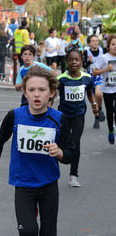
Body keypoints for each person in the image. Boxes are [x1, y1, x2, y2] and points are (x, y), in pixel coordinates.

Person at [0, 65, 75, 236]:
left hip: (48, 184)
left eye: (42, 89)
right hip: (23, 184)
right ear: (25, 93)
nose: (36, 94)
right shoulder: (15, 116)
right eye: (31, 90)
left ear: (52, 92)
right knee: (29, 232)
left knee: (48, 232)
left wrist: (60, 152)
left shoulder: (59, 119)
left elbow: (70, 154)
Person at [57, 48, 98, 187]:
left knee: (75, 144)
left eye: (77, 59)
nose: (74, 62)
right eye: (71, 60)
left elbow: (89, 92)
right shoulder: (61, 79)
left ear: (81, 62)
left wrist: (93, 104)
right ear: (67, 61)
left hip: (79, 115)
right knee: (63, 143)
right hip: (63, 116)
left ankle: (73, 175)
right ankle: (57, 166)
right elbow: (51, 94)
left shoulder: (87, 78)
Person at [93, 34, 116, 144]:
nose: (115, 46)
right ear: (108, 46)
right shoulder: (104, 58)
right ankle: (111, 130)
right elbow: (94, 72)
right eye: (113, 44)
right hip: (107, 89)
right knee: (110, 111)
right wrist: (106, 69)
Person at [83, 35, 106, 129]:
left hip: (99, 77)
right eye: (93, 41)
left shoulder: (103, 51)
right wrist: (89, 62)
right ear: (89, 43)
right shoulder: (86, 52)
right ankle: (96, 118)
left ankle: (100, 110)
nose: (95, 42)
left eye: (97, 41)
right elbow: (84, 66)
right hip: (89, 78)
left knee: (99, 94)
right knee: (93, 103)